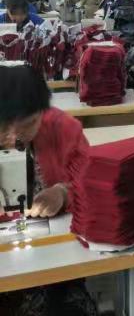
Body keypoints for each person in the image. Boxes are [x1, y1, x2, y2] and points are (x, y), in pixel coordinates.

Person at [0, 64, 98, 316]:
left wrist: (64, 193)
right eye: (5, 127)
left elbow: (94, 185)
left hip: (57, 260)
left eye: (27, 125)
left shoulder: (64, 128)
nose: (14, 137)